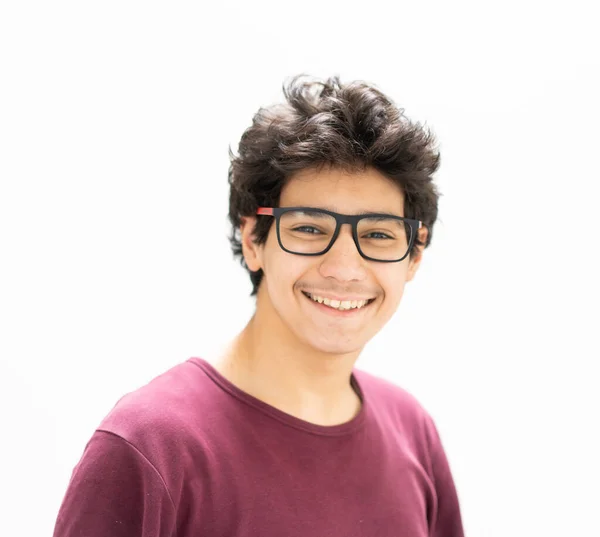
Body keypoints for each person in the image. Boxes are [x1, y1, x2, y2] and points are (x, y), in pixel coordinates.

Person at [53, 75, 465, 537]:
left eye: (378, 234)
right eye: (309, 229)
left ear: (414, 255)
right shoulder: (151, 445)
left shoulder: (412, 431)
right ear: (254, 241)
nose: (345, 268)